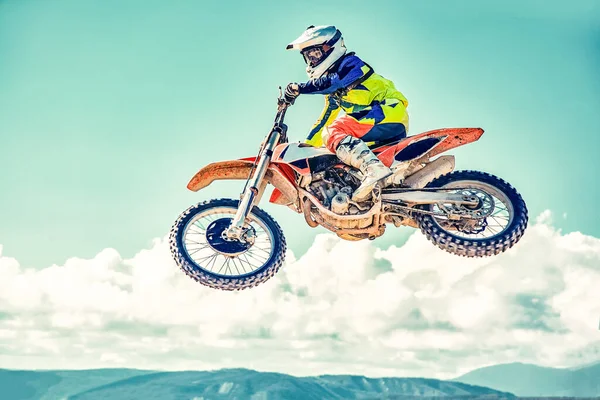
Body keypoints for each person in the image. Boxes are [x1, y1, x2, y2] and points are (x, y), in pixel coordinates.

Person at [284, 25, 409, 202]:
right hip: (375, 126)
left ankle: (374, 170)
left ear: (331, 46)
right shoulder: (336, 93)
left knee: (335, 131)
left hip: (388, 112)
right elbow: (324, 120)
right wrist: (305, 149)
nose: (312, 60)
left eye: (315, 54)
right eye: (308, 57)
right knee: (333, 145)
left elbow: (333, 82)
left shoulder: (351, 64)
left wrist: (299, 88)